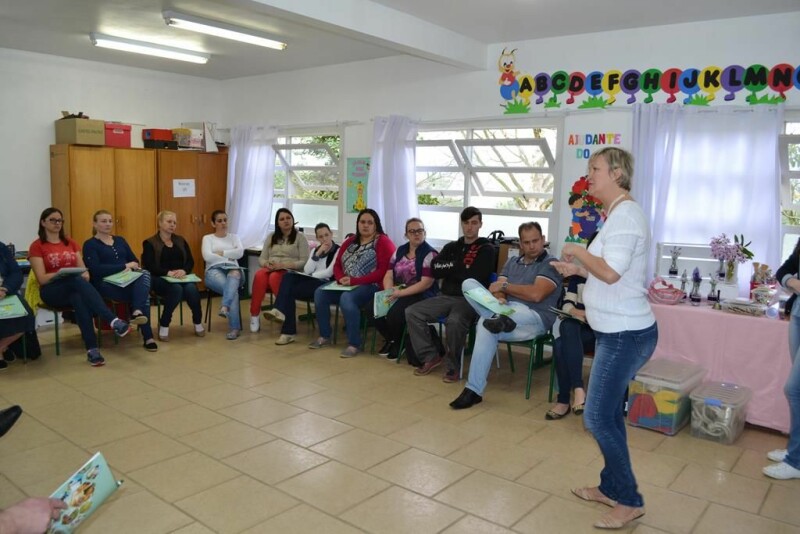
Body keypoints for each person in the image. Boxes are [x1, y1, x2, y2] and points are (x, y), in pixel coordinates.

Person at [553, 147, 657, 530]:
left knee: (596, 416)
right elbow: (610, 269)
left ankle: (629, 500)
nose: (589, 174)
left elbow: (612, 273)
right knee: (609, 414)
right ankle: (611, 487)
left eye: (594, 168)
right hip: (616, 330)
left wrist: (578, 249)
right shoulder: (616, 214)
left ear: (616, 172)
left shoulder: (626, 215)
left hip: (625, 334)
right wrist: (576, 267)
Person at [450, 222, 562, 409]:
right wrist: (500, 296)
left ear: (543, 240)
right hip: (505, 312)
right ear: (520, 244)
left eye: (535, 241)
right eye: (526, 242)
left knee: (484, 324)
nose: (532, 246)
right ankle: (474, 391)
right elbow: (497, 289)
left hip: (533, 318)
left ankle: (473, 389)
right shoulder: (512, 262)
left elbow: (536, 295)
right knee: (468, 284)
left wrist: (504, 288)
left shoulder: (550, 264)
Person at [29, 208, 130, 367]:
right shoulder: (37, 246)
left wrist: (80, 276)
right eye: (53, 220)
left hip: (74, 287)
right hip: (51, 291)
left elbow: (85, 272)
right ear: (43, 222)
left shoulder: (70, 242)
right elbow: (41, 279)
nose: (57, 223)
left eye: (60, 221)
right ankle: (112, 319)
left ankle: (92, 350)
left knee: (78, 296)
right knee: (74, 281)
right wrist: (61, 275)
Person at [405, 206, 495, 382]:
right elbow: (436, 269)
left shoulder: (487, 249)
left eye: (474, 223)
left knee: (454, 321)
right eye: (466, 223)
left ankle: (453, 367)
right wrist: (460, 266)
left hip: (470, 300)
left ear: (480, 225)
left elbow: (477, 276)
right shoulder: (451, 247)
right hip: (445, 296)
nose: (470, 227)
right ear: (462, 224)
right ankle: (430, 356)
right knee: (412, 312)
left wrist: (451, 268)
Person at [310, 209, 395, 357]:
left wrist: (355, 281)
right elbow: (337, 264)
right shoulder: (350, 241)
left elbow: (383, 272)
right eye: (362, 222)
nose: (366, 225)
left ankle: (354, 344)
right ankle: (325, 335)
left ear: (376, 225)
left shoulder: (383, 241)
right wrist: (340, 278)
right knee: (320, 293)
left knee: (347, 298)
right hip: (346, 284)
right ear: (357, 224)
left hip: (371, 286)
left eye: (370, 222)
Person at [82, 210, 157, 352]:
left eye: (110, 221)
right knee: (143, 296)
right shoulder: (90, 244)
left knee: (144, 274)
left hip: (128, 280)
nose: (108, 224)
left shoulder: (120, 240)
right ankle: (147, 335)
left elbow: (134, 260)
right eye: (103, 221)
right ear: (95, 224)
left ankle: (137, 311)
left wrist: (131, 267)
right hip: (106, 284)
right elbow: (95, 269)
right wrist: (123, 266)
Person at [545, 232, 598, 420]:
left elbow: (604, 315)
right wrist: (579, 313)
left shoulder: (609, 279)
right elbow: (567, 303)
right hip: (578, 330)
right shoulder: (578, 275)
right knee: (566, 329)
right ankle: (577, 391)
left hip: (600, 336)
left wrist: (585, 315)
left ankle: (563, 400)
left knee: (562, 342)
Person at [264, 223, 339, 346]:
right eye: (320, 237)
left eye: (326, 235)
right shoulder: (315, 250)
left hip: (326, 283)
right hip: (312, 281)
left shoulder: (338, 250)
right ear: (317, 238)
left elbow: (329, 272)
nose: (324, 239)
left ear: (331, 234)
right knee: (288, 278)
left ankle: (284, 322)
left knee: (289, 289)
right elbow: (308, 269)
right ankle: (285, 327)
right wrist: (317, 254)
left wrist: (312, 276)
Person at [375, 218, 438, 361]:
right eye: (412, 231)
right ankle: (391, 338)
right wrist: (389, 291)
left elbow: (426, 283)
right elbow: (389, 274)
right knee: (371, 309)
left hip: (421, 293)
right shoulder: (399, 250)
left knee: (394, 313)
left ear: (425, 233)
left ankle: (398, 343)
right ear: (406, 235)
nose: (416, 234)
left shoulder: (430, 254)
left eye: (420, 231)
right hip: (399, 290)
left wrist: (399, 294)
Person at [765, 238, 800, 480]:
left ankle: (795, 461)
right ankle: (794, 450)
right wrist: (794, 282)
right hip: (797, 316)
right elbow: (783, 270)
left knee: (794, 389)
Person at [142, 211, 204, 342]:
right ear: (160, 223)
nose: (172, 225)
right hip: (160, 278)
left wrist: (184, 270)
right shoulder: (150, 242)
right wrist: (167, 273)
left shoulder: (180, 240)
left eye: (174, 222)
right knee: (176, 289)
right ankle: (164, 323)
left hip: (181, 277)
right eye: (169, 222)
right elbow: (149, 265)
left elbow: (190, 261)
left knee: (191, 289)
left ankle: (197, 322)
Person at [249, 208, 309, 333]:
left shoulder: (300, 237)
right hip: (271, 268)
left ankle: (282, 312)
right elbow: (262, 258)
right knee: (260, 275)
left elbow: (304, 262)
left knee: (275, 277)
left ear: (293, 220)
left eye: (288, 218)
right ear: (277, 223)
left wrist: (284, 265)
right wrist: (266, 264)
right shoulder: (271, 237)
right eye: (282, 219)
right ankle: (254, 315)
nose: (286, 221)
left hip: (289, 271)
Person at [201, 210, 244, 341]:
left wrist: (221, 253)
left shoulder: (234, 237)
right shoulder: (207, 238)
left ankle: (225, 306)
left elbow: (240, 253)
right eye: (219, 221)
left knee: (234, 275)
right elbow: (207, 256)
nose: (223, 223)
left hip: (234, 270)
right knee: (233, 291)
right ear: (213, 223)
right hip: (214, 270)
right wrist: (229, 256)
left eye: (225, 220)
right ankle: (234, 328)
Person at [0, 242, 35, 369]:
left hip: (5, 292)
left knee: (27, 315)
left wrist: (5, 289)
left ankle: (2, 347)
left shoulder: (1, 247)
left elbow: (16, 273)